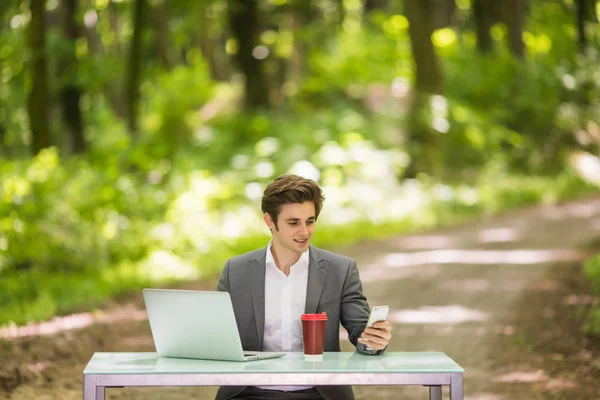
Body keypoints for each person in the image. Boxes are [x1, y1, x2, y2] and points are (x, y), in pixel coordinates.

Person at [216, 174, 392, 400]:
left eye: (310, 221)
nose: (304, 231)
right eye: (293, 223)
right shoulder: (236, 270)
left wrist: (373, 340)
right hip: (249, 392)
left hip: (319, 392)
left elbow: (360, 331)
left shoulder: (340, 269)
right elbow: (218, 338)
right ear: (270, 221)